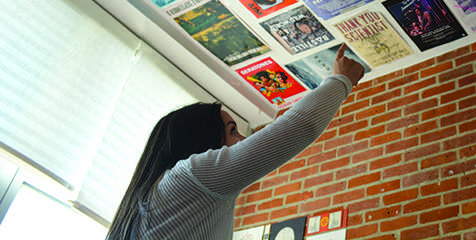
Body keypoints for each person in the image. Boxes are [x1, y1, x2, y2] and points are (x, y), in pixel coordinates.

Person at [106, 44, 365, 240]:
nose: (242, 140)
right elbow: (300, 126)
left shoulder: (159, 199)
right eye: (232, 131)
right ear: (201, 138)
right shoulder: (189, 176)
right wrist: (341, 80)